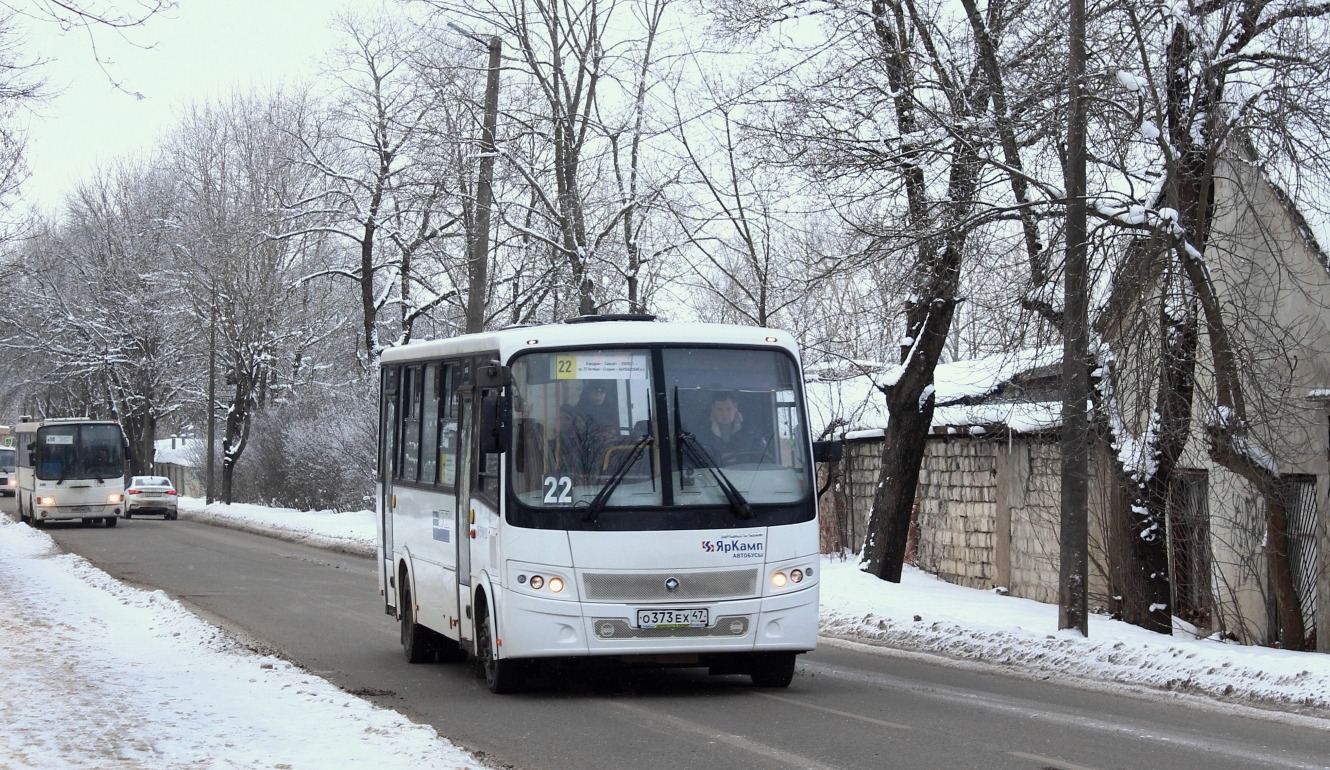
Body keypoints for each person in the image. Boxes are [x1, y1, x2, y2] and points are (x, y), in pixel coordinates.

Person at [695, 391, 768, 465]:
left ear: (735, 406)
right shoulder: (700, 434)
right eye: (720, 410)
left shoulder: (752, 432)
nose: (725, 415)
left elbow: (763, 462)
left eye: (729, 409)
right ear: (713, 409)